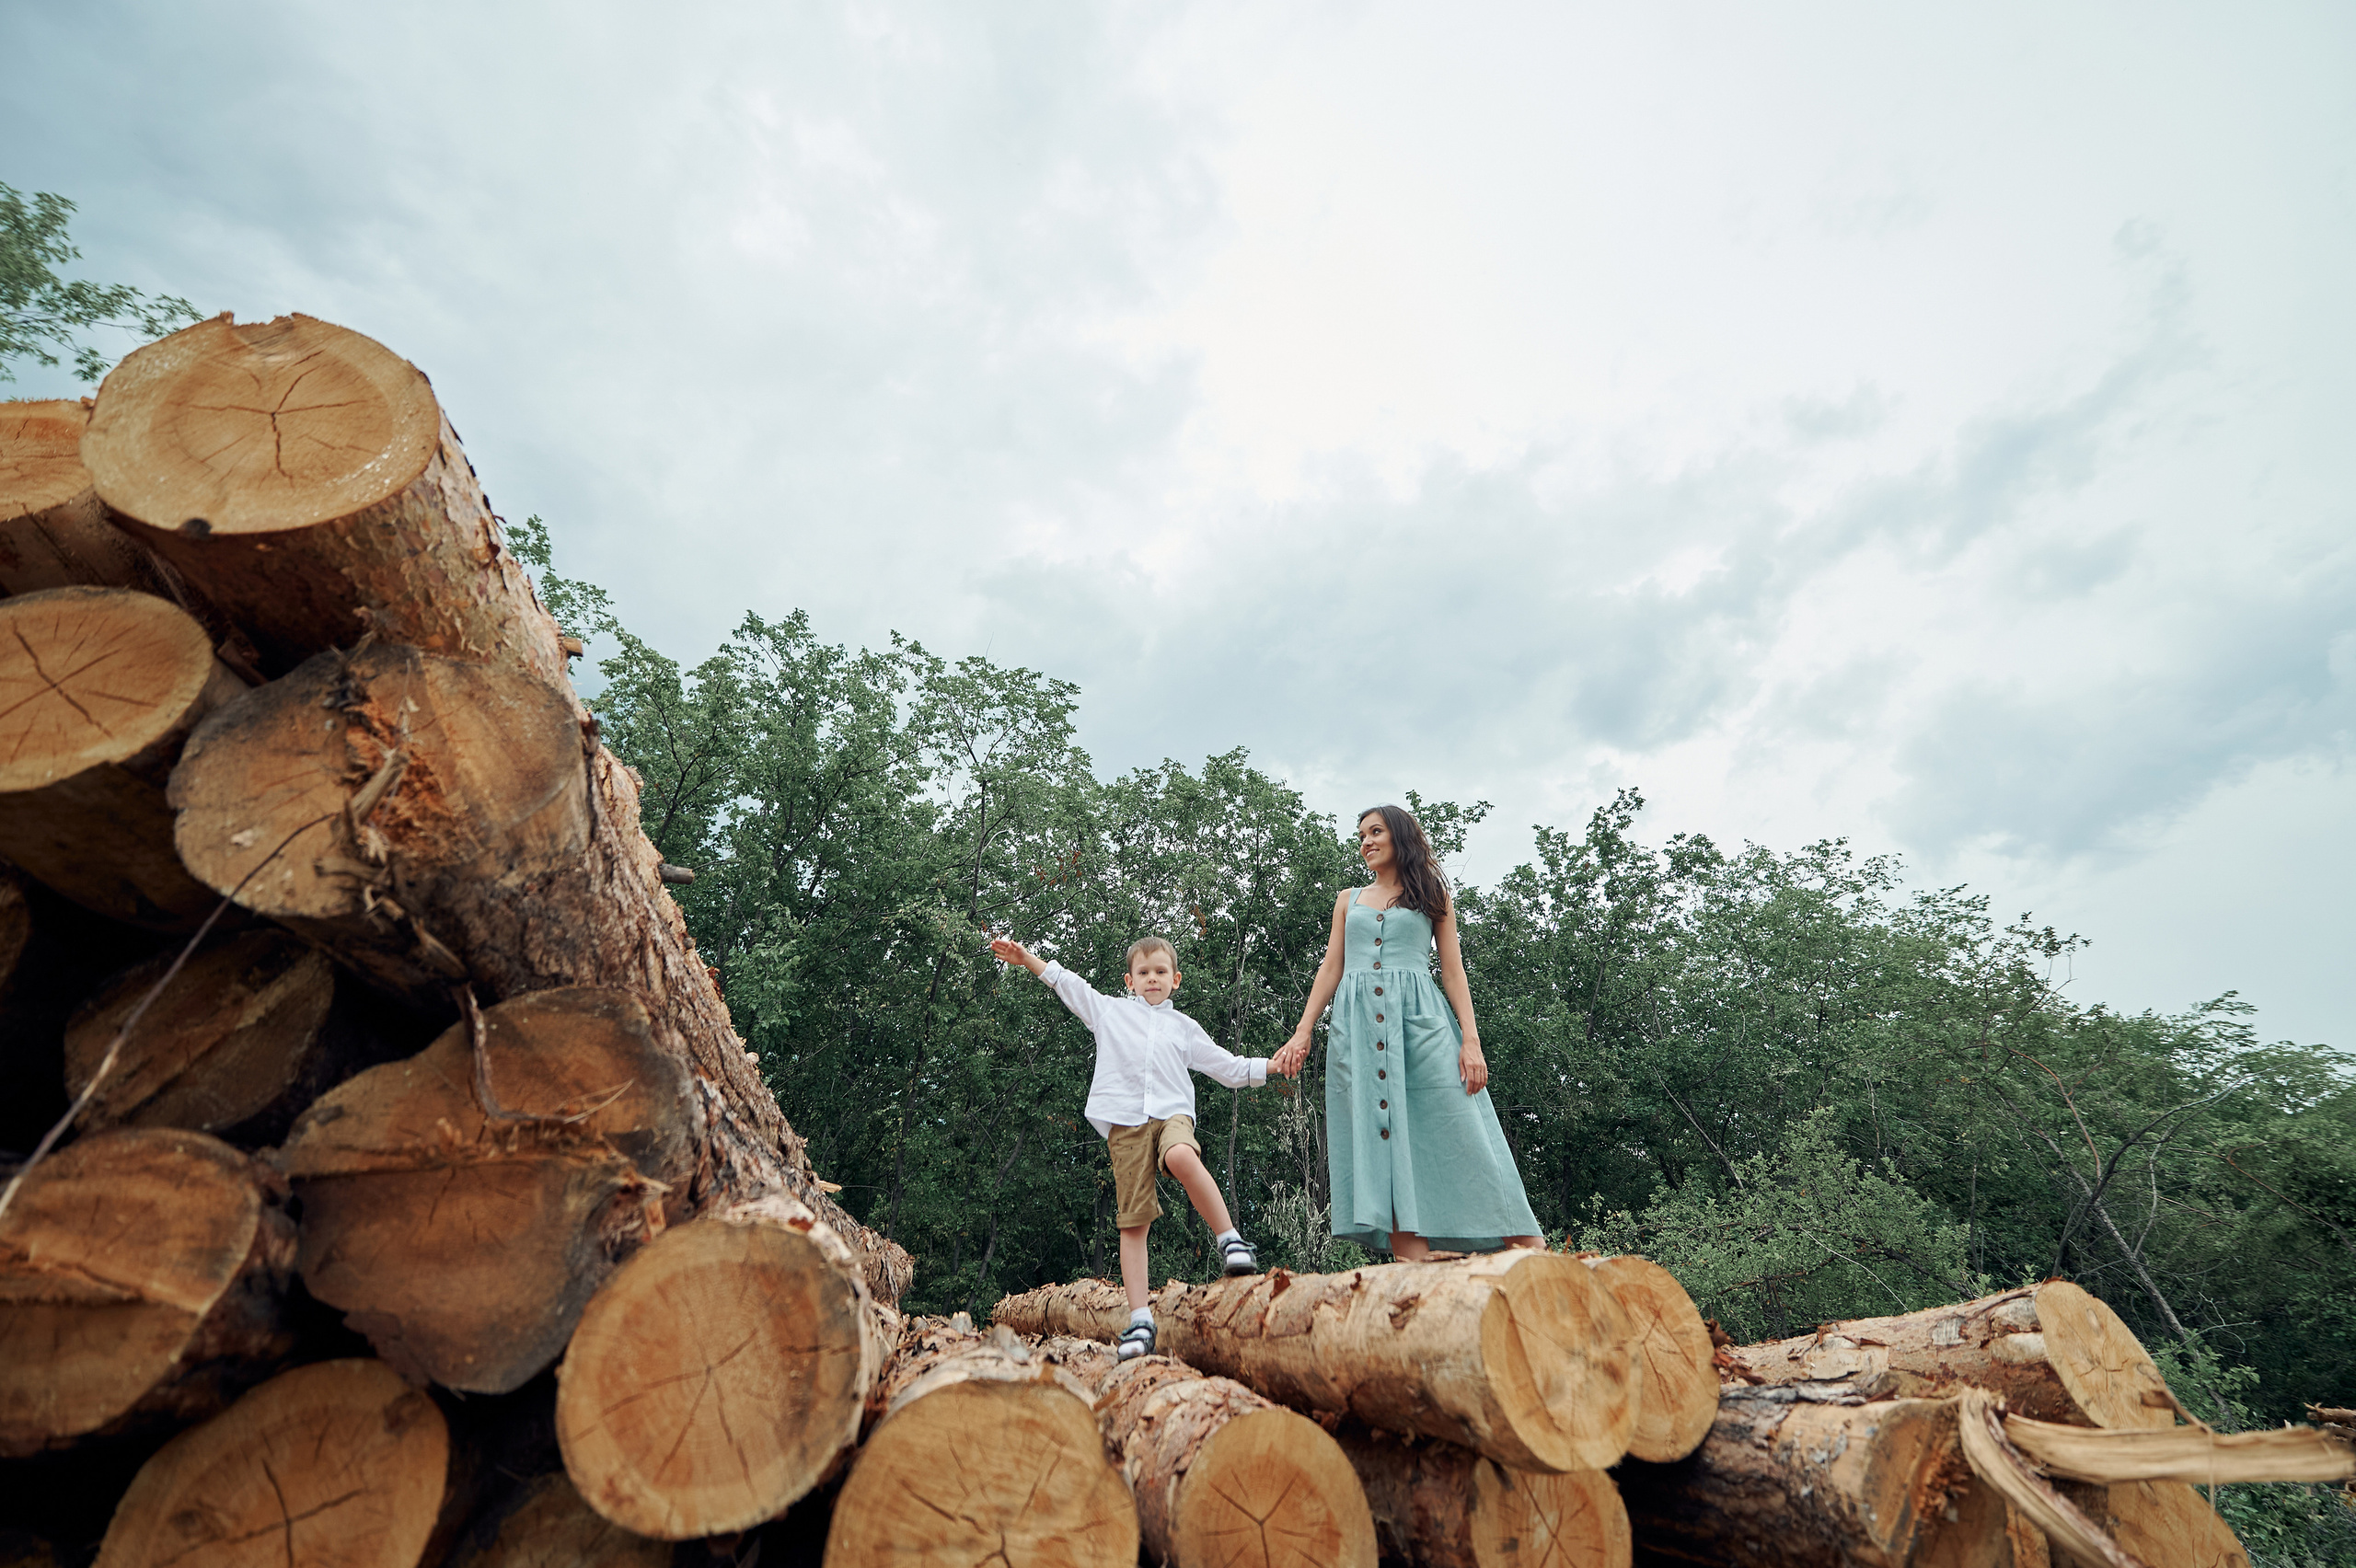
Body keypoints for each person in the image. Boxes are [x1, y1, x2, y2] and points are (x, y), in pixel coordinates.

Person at [1268, 803, 1542, 1259]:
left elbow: (1453, 972)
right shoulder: (1347, 900)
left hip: (1422, 1023)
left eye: (1375, 832)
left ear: (1399, 836)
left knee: (1460, 1125)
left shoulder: (1431, 894)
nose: (1366, 842)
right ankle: (1411, 1258)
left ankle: (1523, 1239)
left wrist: (1470, 1041)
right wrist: (1303, 1031)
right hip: (1356, 1031)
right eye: (1361, 836)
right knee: (1378, 1134)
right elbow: (1331, 967)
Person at [990, 931, 1277, 1358]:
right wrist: (1025, 957)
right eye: (1143, 973)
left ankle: (1231, 1240)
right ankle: (1141, 1320)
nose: (1152, 979)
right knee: (1134, 1221)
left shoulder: (1184, 1027)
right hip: (1124, 1124)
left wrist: (1273, 1066)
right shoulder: (1109, 1012)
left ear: (1176, 979)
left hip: (1172, 1114)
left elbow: (1228, 1067)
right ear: (1129, 981)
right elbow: (1066, 982)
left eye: (1161, 972)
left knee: (1181, 1154)